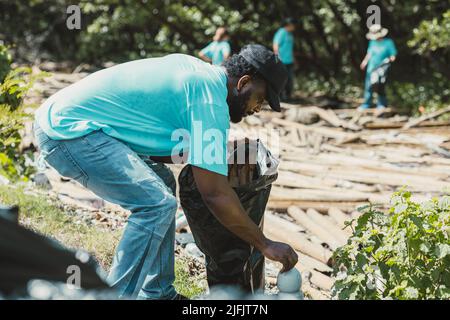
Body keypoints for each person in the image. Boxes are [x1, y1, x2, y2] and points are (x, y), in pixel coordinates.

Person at [33, 44, 298, 300]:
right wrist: (264, 244)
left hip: (70, 122)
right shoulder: (210, 100)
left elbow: (160, 142)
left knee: (163, 183)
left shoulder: (202, 76)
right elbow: (214, 195)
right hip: (69, 133)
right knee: (156, 204)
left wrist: (210, 153)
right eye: (260, 99)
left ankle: (158, 293)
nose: (256, 109)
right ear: (243, 83)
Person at [359, 24, 397, 111]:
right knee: (369, 87)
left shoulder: (388, 42)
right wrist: (364, 62)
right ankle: (366, 104)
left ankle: (381, 105)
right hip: (371, 69)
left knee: (380, 87)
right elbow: (369, 54)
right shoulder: (372, 42)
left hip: (381, 69)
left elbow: (393, 54)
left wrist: (391, 59)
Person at [273, 17, 296, 101]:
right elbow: (275, 45)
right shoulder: (281, 32)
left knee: (290, 79)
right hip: (282, 60)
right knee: (282, 79)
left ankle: (288, 96)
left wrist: (294, 59)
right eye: (293, 25)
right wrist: (278, 57)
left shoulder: (290, 34)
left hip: (289, 61)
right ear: (289, 25)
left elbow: (291, 48)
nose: (295, 27)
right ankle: (280, 97)